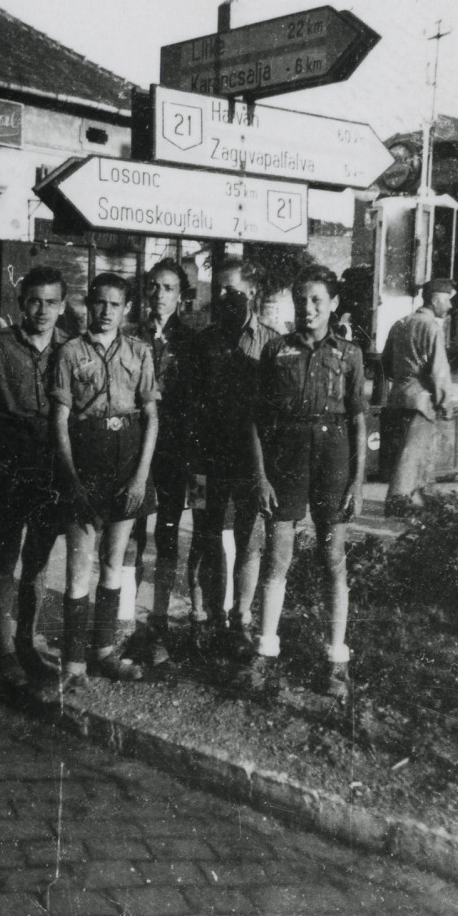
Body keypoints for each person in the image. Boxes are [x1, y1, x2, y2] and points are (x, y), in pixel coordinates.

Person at [248, 265, 367, 702]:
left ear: (334, 304)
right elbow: (257, 419)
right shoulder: (276, 349)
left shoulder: (349, 354)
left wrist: (357, 481)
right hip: (287, 458)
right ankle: (265, 654)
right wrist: (262, 476)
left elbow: (358, 421)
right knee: (277, 557)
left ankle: (336, 660)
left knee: (333, 558)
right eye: (301, 299)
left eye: (317, 299)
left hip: (333, 459)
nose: (308, 307)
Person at [0, 268, 67, 690]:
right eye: (35, 301)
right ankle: (5, 651)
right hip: (7, 462)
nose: (42, 310)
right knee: (5, 556)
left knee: (38, 558)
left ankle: (27, 643)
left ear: (62, 306)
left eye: (51, 302)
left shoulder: (69, 348)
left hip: (50, 464)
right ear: (22, 303)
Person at [51, 272, 159, 684]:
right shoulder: (70, 352)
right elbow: (59, 419)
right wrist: (71, 478)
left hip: (127, 457)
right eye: (99, 302)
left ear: (127, 308)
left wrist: (140, 477)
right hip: (85, 455)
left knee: (114, 562)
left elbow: (151, 417)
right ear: (88, 304)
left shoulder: (140, 351)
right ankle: (73, 663)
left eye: (116, 304)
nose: (107, 311)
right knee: (79, 567)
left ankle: (104, 651)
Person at [191, 258, 274, 661]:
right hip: (205, 458)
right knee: (206, 536)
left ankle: (241, 621)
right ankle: (211, 620)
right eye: (218, 289)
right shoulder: (203, 341)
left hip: (250, 459)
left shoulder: (272, 342)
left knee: (249, 539)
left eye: (232, 289)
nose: (223, 296)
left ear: (252, 293)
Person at [127, 259, 202, 671]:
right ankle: (126, 620)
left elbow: (195, 403)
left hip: (173, 449)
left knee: (168, 534)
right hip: (135, 446)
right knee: (131, 533)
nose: (160, 295)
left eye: (169, 288)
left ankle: (158, 621)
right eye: (154, 286)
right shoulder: (129, 335)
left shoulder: (190, 341)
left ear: (181, 295)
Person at [382, 277, 456, 516]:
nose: (450, 306)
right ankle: (400, 501)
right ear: (435, 300)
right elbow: (439, 370)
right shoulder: (432, 328)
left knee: (403, 451)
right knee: (412, 453)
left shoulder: (400, 323)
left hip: (398, 396)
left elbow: (385, 362)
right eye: (447, 300)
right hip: (421, 400)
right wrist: (445, 403)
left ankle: (414, 499)